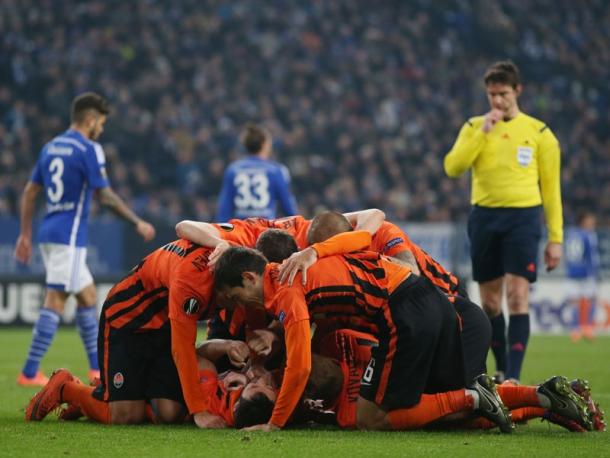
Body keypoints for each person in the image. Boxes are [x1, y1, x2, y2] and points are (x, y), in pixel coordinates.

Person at [213, 246, 517, 433]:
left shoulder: (287, 291)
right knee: (447, 410)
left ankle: (477, 396)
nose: (240, 306)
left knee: (371, 417)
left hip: (404, 313)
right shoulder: (302, 263)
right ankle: (541, 399)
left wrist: (274, 423)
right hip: (431, 298)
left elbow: (301, 367)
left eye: (236, 297)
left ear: (250, 278)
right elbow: (356, 240)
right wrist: (316, 250)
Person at [14, 92, 155, 387]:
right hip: (69, 236)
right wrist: (136, 221)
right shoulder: (88, 149)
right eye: (101, 123)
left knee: (88, 297)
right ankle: (29, 372)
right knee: (55, 300)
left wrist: (24, 235)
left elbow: (29, 193)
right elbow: (104, 195)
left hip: (49, 232)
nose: (101, 129)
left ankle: (95, 370)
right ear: (90, 120)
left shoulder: (51, 147)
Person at [444, 61, 563, 383]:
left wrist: (556, 238)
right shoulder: (474, 126)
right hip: (484, 217)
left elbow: (551, 189)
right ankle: (499, 369)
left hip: (523, 217)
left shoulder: (539, 133)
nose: (497, 100)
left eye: (503, 94)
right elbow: (453, 167)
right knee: (491, 303)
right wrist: (484, 132)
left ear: (517, 91)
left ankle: (513, 374)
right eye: (492, 94)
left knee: (517, 295)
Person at [216, 123, 298, 222]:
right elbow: (288, 208)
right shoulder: (276, 170)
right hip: (265, 231)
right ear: (264, 144)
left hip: (242, 231)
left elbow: (224, 209)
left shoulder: (233, 170)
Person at [565, 211, 600, 341]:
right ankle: (587, 327)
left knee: (575, 301)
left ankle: (575, 330)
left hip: (571, 272)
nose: (593, 224)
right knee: (590, 299)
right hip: (586, 273)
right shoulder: (589, 235)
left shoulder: (570, 234)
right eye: (590, 221)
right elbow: (593, 257)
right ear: (583, 221)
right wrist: (594, 273)